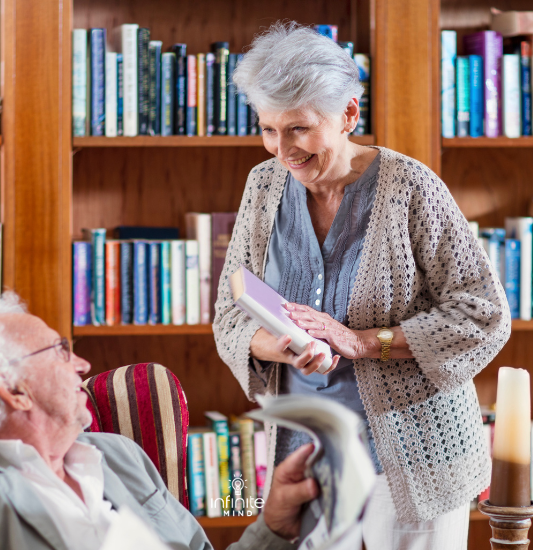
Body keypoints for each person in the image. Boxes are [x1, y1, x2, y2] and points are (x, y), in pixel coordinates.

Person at [213, 22, 511, 550]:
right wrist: (278, 343)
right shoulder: (263, 186)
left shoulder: (409, 187)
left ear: (349, 114)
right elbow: (230, 317)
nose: (282, 149)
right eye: (268, 130)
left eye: (300, 129)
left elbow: (483, 314)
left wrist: (359, 342)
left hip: (413, 461)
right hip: (305, 461)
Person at [0, 293, 318, 550]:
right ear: (12, 389)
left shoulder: (119, 456)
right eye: (59, 351)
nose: (82, 364)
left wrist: (275, 523)